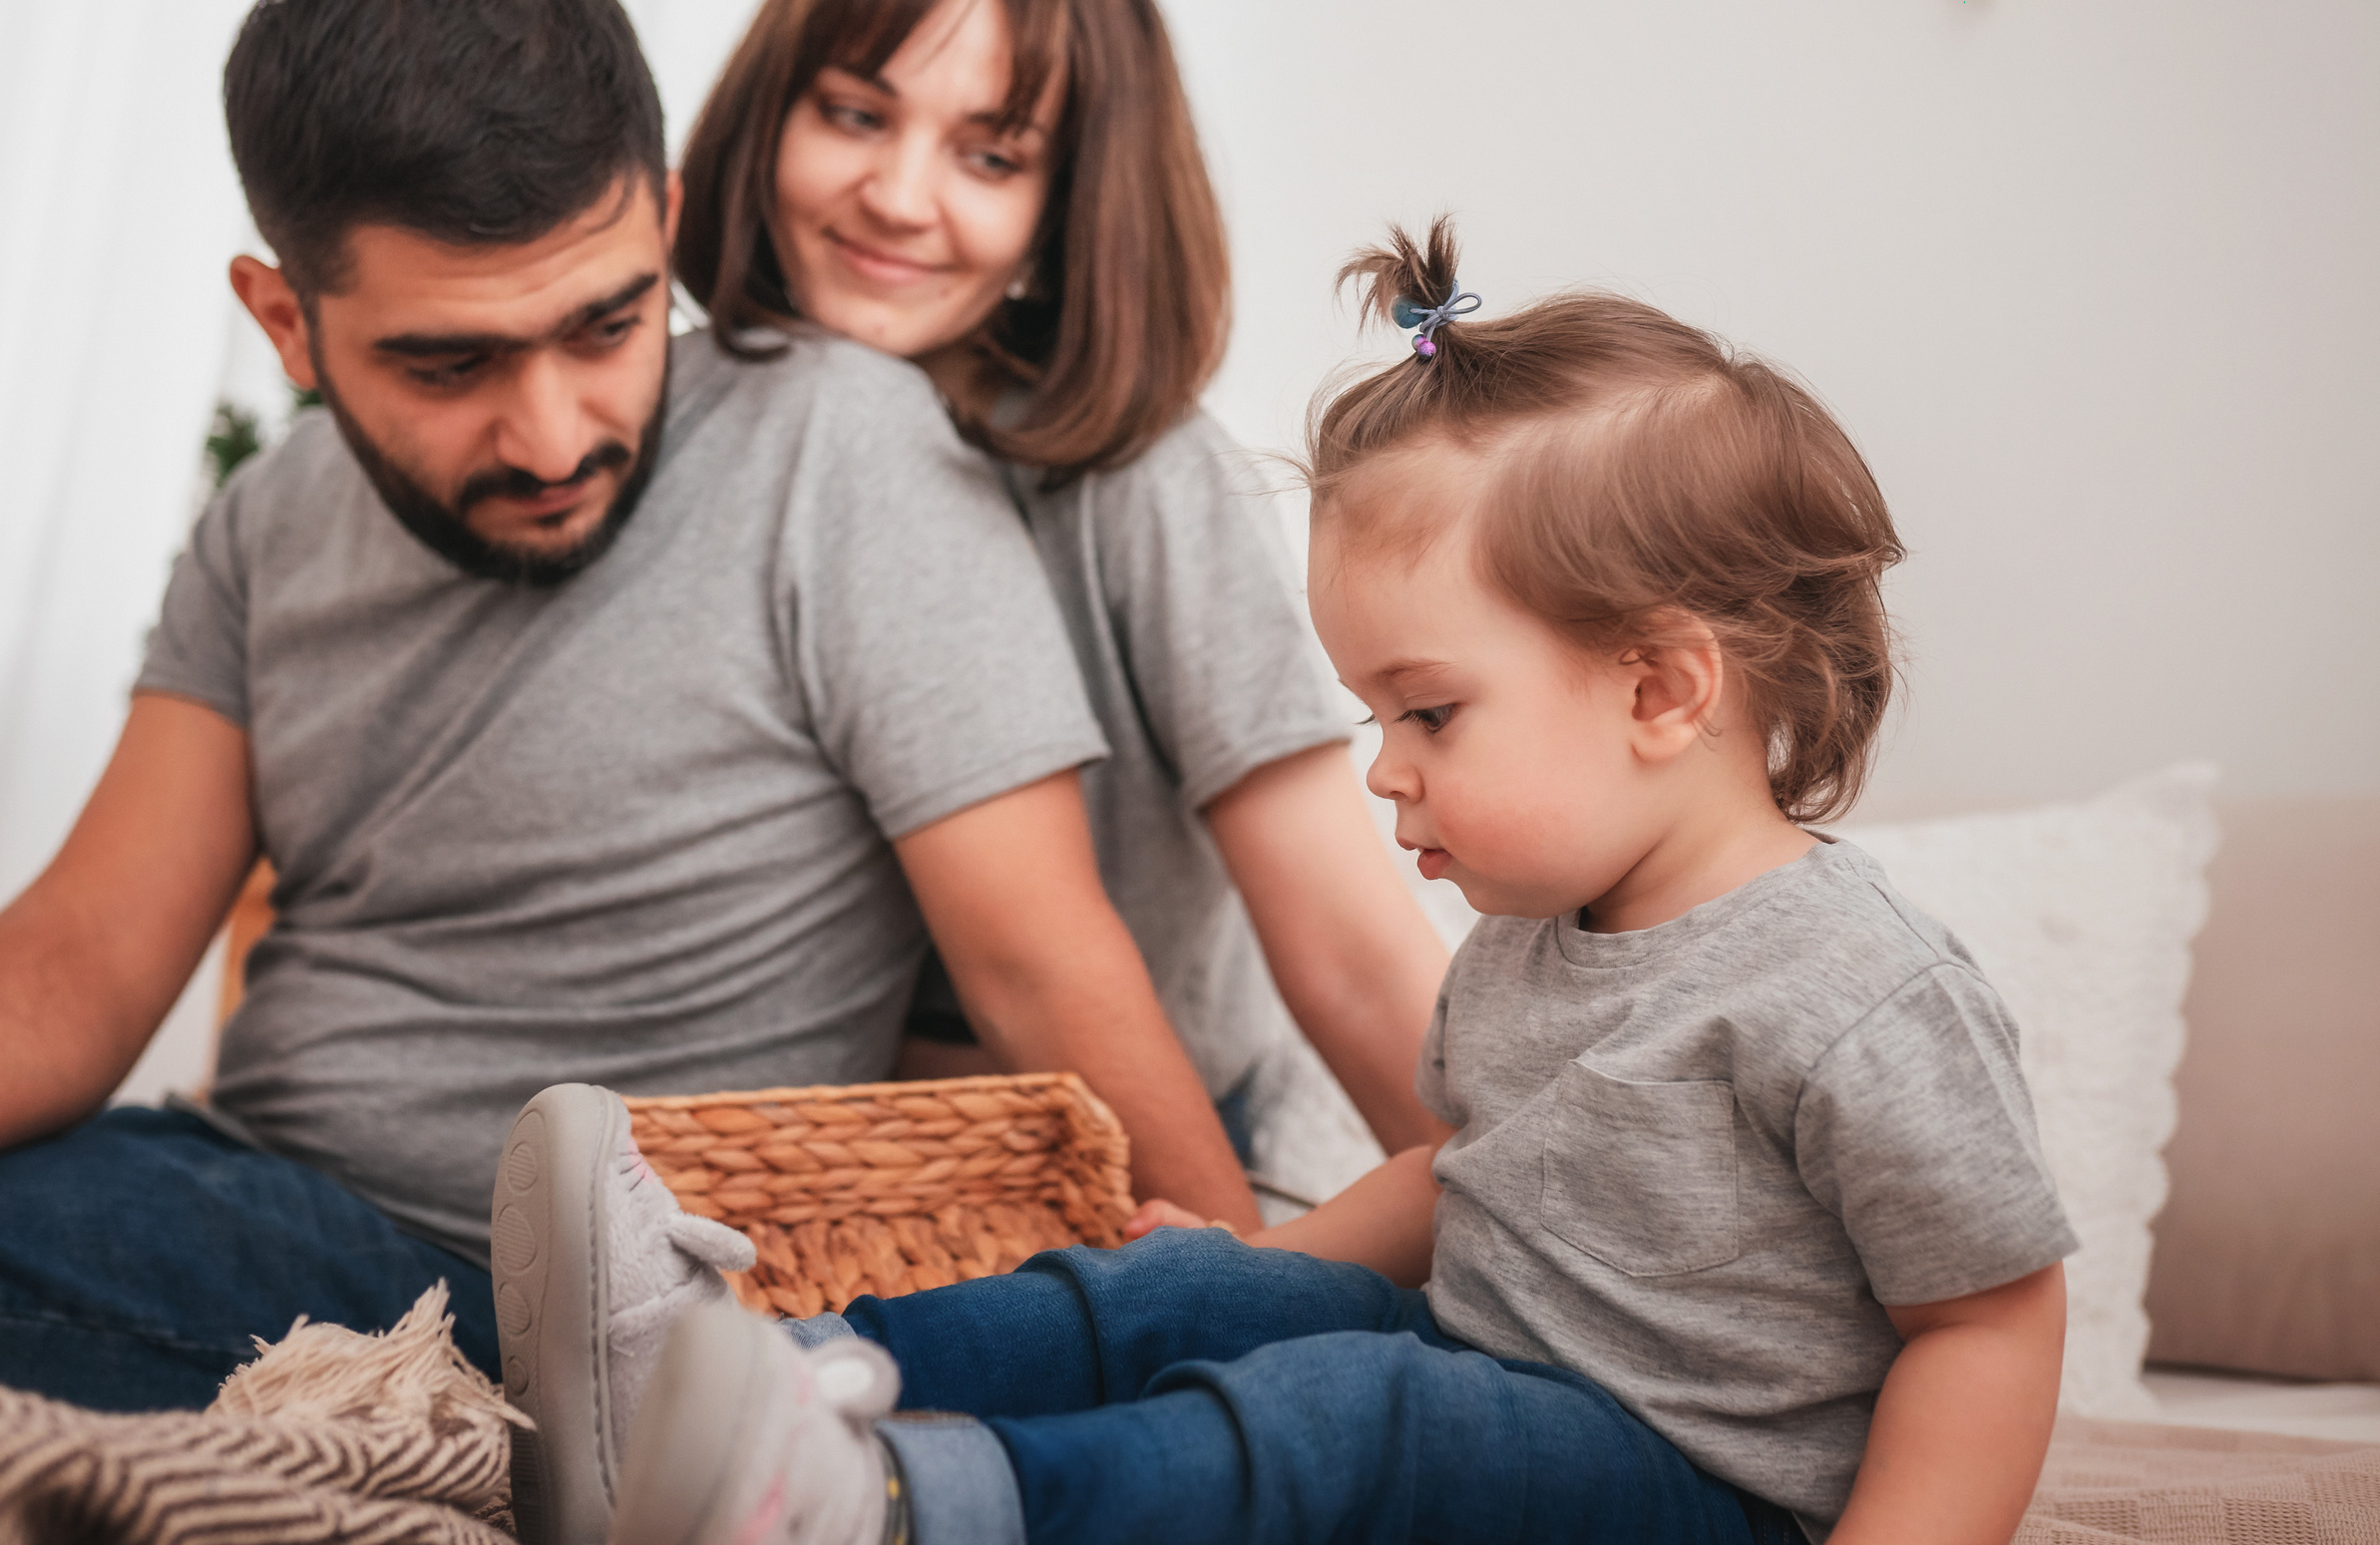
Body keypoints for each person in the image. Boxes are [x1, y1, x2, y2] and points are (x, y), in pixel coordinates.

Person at [0, 0, 1254, 1410]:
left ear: (667, 219)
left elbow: (1040, 953)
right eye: (449, 364)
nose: (555, 435)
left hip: (543, 1298)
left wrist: (1252, 1303)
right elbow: (88, 947)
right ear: (285, 323)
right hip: (244, 1202)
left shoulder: (839, 446)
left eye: (608, 321)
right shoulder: (264, 526)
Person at [509, 222, 2080, 1545]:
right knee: (1180, 1299)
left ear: (1662, 690)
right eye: (1372, 717)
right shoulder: (1534, 939)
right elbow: (1452, 1177)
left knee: (1355, 1412)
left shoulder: (1859, 990)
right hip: (1493, 1382)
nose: (1385, 769)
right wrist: (1232, 1273)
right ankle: (722, 1385)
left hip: (1697, 1490)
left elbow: (1989, 1320)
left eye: (1431, 712)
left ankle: (901, 1509)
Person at [673, 0, 1452, 1165]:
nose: (899, 196)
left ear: (1066, 205)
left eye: (990, 156)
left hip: (1129, 1139)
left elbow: (1349, 951)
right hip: (784, 1157)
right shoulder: (685, 433)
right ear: (769, 122)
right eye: (855, 115)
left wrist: (1534, 1248)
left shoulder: (1142, 479)